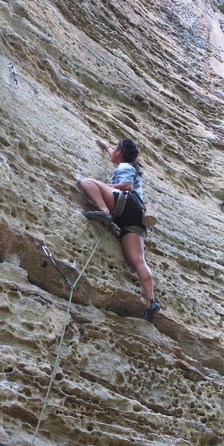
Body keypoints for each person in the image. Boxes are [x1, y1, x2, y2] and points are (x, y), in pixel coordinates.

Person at [77, 137, 160, 322]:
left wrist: (104, 186)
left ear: (120, 152)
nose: (112, 151)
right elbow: (114, 156)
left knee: (86, 182)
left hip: (126, 203)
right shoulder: (129, 166)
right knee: (137, 261)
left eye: (115, 148)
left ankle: (103, 211)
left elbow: (127, 186)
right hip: (136, 218)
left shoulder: (125, 167)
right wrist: (106, 146)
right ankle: (151, 302)